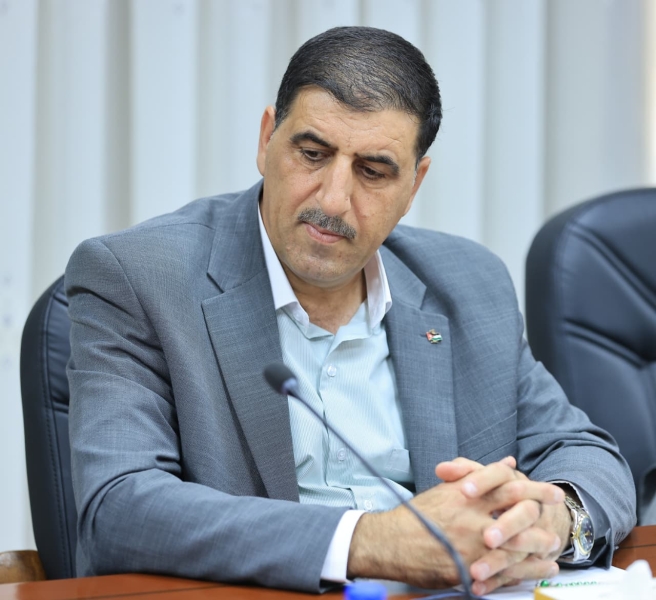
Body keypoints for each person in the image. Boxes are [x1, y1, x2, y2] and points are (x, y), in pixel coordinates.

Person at [65, 26, 636, 596]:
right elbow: (118, 507)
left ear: (414, 185)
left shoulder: (468, 283)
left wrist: (551, 521)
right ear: (266, 140)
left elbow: (583, 453)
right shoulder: (140, 278)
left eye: (373, 171)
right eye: (312, 154)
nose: (333, 200)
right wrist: (374, 542)